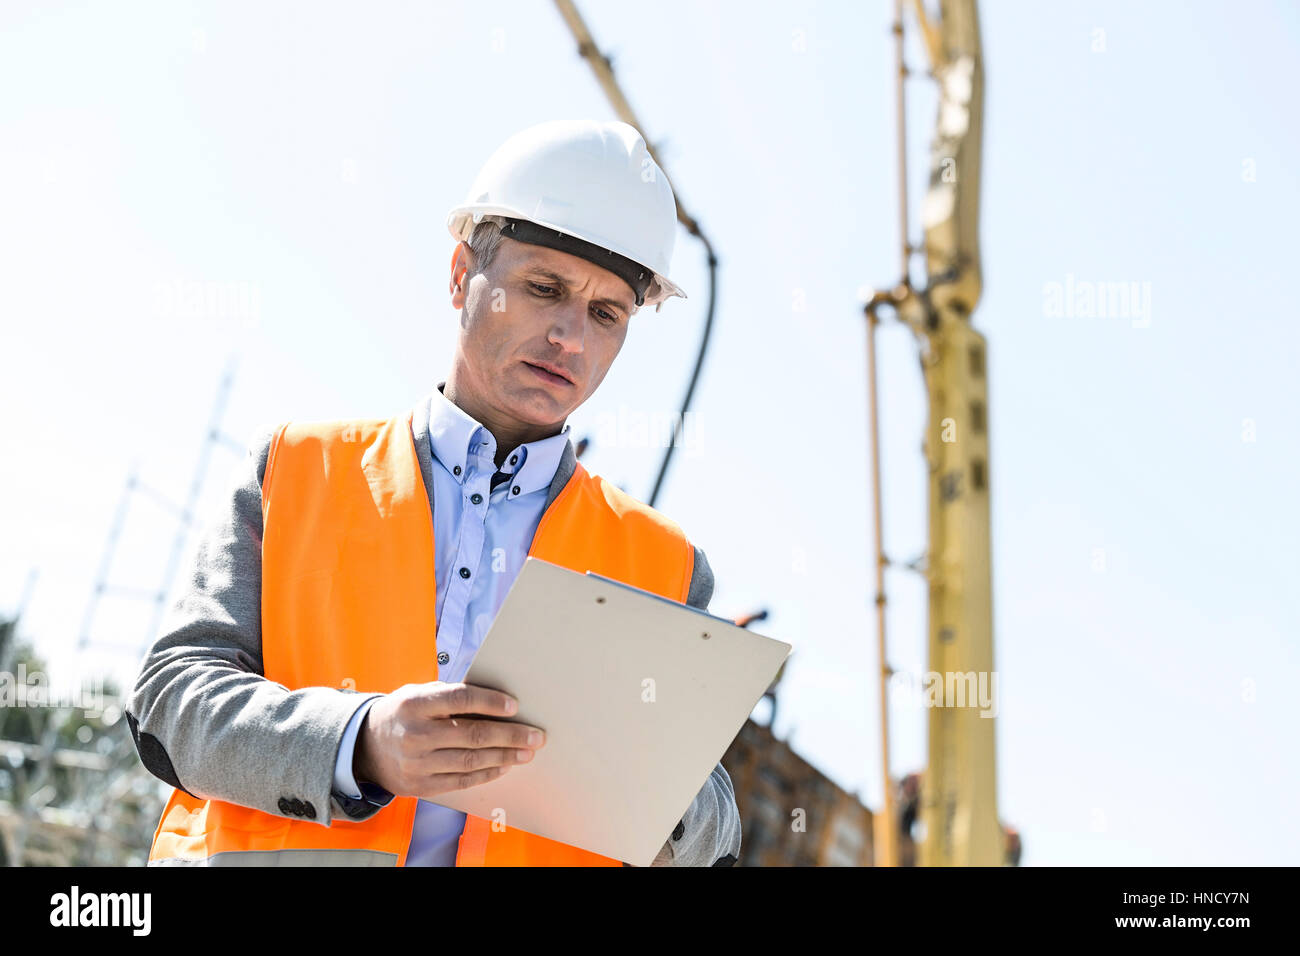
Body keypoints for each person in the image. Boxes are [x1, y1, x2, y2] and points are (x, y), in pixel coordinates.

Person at [126, 119, 742, 867]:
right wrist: (363, 742)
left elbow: (719, 835)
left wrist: (646, 783)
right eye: (544, 289)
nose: (571, 338)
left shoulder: (665, 565)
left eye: (606, 313)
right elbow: (169, 707)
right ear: (460, 274)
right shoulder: (296, 469)